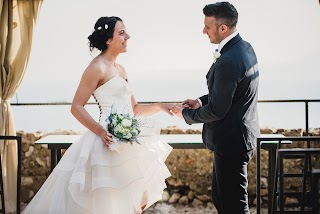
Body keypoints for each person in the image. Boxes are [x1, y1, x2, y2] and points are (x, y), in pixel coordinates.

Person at [22, 16, 174, 214]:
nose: (128, 36)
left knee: (136, 201)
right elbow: (77, 106)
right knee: (106, 203)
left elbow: (134, 109)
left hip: (127, 142)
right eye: (121, 33)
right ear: (108, 40)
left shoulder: (121, 69)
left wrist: (161, 106)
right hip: (106, 143)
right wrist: (101, 131)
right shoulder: (96, 68)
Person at [172, 2, 259, 213]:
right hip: (235, 139)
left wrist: (186, 114)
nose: (203, 31)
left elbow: (218, 109)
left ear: (223, 28)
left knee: (234, 206)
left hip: (231, 142)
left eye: (207, 26)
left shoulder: (229, 59)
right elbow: (227, 93)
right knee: (222, 200)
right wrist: (200, 101)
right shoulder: (244, 47)